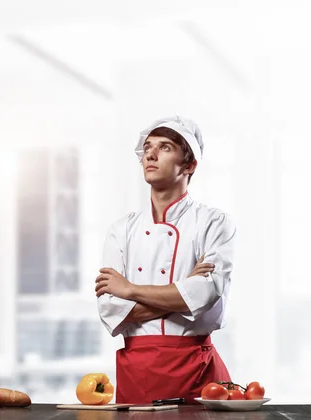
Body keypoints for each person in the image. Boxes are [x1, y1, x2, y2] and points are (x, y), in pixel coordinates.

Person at [95, 115, 236, 404]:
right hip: (137, 371)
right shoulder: (121, 231)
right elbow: (110, 308)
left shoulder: (214, 222)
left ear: (190, 164)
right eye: (148, 146)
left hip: (198, 373)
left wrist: (130, 290)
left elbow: (207, 294)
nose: (151, 153)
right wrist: (183, 292)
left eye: (166, 147)